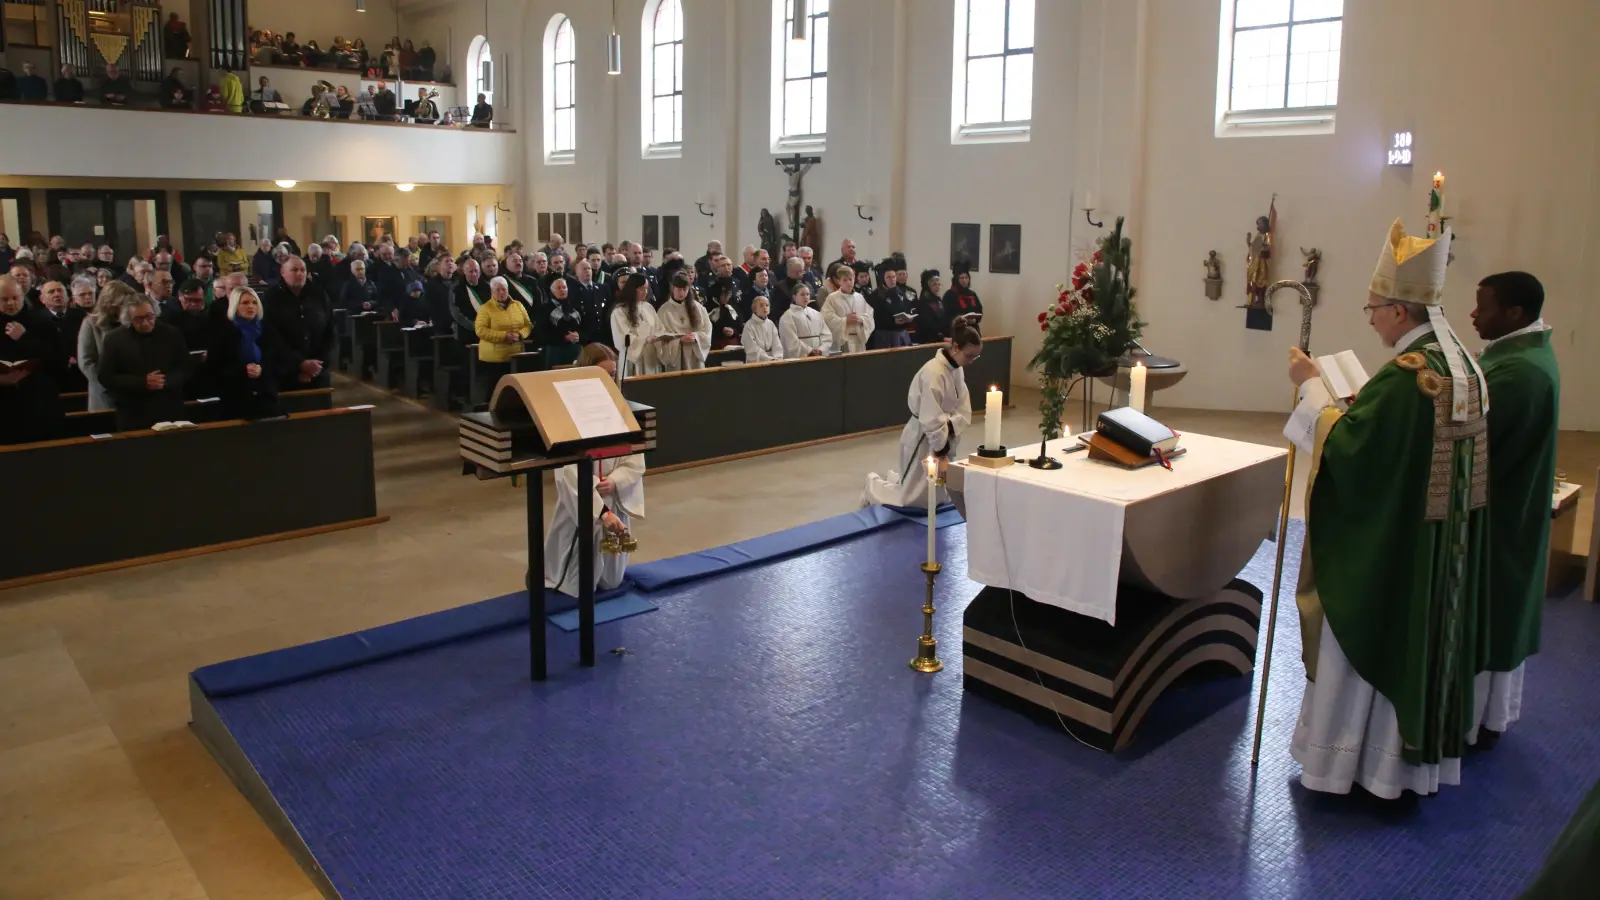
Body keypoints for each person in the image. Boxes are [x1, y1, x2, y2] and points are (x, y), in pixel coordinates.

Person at [1283, 219, 1489, 800]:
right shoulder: (1461, 365)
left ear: (1401, 313)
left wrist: (1309, 387)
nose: (1369, 315)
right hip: (1438, 545)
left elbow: (1352, 452)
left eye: (1373, 306)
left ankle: (1357, 763)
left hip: (1392, 548)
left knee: (1369, 636)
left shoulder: (1409, 379)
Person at [1467, 271, 1560, 748]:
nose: (1473, 314)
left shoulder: (1519, 373)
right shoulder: (1523, 356)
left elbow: (1470, 449)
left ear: (1515, 314)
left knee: (1488, 612)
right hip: (1513, 509)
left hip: (1500, 518)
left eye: (1482, 307)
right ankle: (1488, 714)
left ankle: (1475, 718)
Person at [544, 344, 644, 596]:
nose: (609, 380)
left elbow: (635, 457)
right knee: (580, 584)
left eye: (612, 374)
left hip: (615, 495)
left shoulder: (623, 409)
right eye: (602, 374)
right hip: (586, 504)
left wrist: (617, 480)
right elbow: (569, 472)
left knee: (612, 580)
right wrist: (602, 512)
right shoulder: (566, 414)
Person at [862, 325, 980, 508]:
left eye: (976, 356)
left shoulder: (956, 369)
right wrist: (941, 451)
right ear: (956, 347)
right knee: (910, 499)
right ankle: (872, 486)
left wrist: (951, 426)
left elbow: (963, 407)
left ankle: (897, 479)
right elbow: (930, 417)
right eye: (969, 355)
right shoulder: (933, 372)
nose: (972, 361)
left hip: (943, 434)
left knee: (937, 493)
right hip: (923, 436)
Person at [98, 297, 190, 431]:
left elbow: (185, 368)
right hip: (132, 411)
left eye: (149, 316)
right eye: (138, 319)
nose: (146, 323)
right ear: (129, 320)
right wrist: (143, 382)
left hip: (168, 406)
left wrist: (165, 381)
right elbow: (106, 377)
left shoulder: (172, 334)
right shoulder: (115, 339)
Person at [0, 275, 65, 444]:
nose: (11, 303)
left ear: (23, 297)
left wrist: (24, 339)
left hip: (38, 403)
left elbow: (58, 361)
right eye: (4, 299)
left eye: (15, 298)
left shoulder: (41, 322)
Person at [206, 286, 283, 419]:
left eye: (254, 303)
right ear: (235, 305)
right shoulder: (223, 331)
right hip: (235, 395)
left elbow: (276, 358)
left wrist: (261, 368)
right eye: (245, 303)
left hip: (265, 392)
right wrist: (243, 370)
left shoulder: (267, 329)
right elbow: (215, 366)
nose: (251, 306)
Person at [262, 256, 335, 391]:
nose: (300, 273)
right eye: (294, 270)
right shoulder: (271, 298)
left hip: (318, 371)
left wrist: (316, 365)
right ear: (282, 272)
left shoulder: (319, 294)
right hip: (285, 372)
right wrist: (299, 364)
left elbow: (330, 330)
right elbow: (271, 336)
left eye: (303, 270)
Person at [77, 281, 136, 411]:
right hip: (103, 393)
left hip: (132, 391)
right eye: (123, 303)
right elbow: (86, 362)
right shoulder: (91, 324)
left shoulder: (132, 323)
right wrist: (109, 382)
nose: (127, 307)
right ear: (110, 303)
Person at [474, 276, 532, 379]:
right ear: (492, 291)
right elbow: (480, 330)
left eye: (504, 289)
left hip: (516, 354)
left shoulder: (518, 305)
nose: (501, 292)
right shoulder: (485, 308)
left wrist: (519, 334)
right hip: (494, 358)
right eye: (497, 290)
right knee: (495, 389)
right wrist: (504, 336)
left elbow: (528, 325)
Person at [653, 273, 710, 372]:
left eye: (685, 289)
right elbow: (660, 336)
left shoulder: (698, 308)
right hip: (676, 356)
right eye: (679, 289)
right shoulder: (664, 310)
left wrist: (696, 337)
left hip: (694, 354)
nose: (682, 293)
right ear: (672, 288)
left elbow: (707, 330)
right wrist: (679, 340)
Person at [609, 272, 660, 377]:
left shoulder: (648, 308)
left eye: (646, 289)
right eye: (641, 289)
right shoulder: (620, 311)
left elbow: (659, 328)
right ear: (632, 289)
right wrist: (644, 340)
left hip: (651, 357)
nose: (645, 292)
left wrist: (660, 337)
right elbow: (622, 338)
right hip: (633, 359)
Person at [821, 263, 875, 354]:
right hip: (842, 341)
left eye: (850, 279)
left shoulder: (859, 297)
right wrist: (845, 320)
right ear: (839, 281)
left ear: (854, 279)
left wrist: (861, 319)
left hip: (858, 340)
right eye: (845, 280)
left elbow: (869, 315)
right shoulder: (832, 298)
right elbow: (826, 318)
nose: (849, 282)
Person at [869, 261, 915, 349]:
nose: (892, 280)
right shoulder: (876, 295)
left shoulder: (899, 292)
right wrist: (892, 321)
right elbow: (875, 318)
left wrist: (908, 318)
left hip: (901, 334)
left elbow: (905, 308)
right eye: (888, 277)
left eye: (894, 277)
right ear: (883, 279)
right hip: (885, 336)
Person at [779, 284, 830, 359]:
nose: (806, 297)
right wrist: (809, 351)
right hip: (800, 357)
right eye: (802, 294)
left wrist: (821, 349)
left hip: (819, 355)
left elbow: (826, 334)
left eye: (807, 294)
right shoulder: (788, 316)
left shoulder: (816, 314)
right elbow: (790, 340)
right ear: (794, 296)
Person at [541, 276, 583, 366]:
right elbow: (542, 333)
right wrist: (564, 338)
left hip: (575, 348)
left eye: (564, 287)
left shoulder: (575, 306)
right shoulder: (544, 309)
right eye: (558, 288)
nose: (562, 290)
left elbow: (584, 326)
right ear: (552, 291)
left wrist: (579, 335)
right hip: (555, 351)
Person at [449, 257, 488, 341]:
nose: (474, 274)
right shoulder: (456, 287)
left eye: (476, 271)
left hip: (486, 331)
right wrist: (474, 326)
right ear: (464, 272)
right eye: (471, 271)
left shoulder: (486, 286)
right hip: (465, 333)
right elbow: (455, 312)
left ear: (480, 272)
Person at [741, 294, 783, 363]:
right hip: (757, 362)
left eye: (767, 305)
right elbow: (752, 348)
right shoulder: (749, 325)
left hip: (773, 361)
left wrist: (777, 358)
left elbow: (777, 344)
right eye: (761, 305)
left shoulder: (770, 324)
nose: (765, 308)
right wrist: (768, 359)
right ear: (754, 309)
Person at [943, 264, 982, 332]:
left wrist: (975, 320)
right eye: (961, 278)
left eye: (966, 277)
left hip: (973, 329)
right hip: (958, 331)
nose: (964, 280)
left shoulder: (972, 294)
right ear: (956, 279)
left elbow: (979, 310)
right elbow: (947, 316)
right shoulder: (949, 295)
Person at [706, 275, 742, 349]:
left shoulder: (733, 307)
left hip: (734, 344)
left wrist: (733, 331)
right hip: (716, 345)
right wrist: (721, 331)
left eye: (728, 294)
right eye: (723, 294)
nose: (726, 297)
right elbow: (707, 329)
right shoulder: (709, 308)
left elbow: (740, 326)